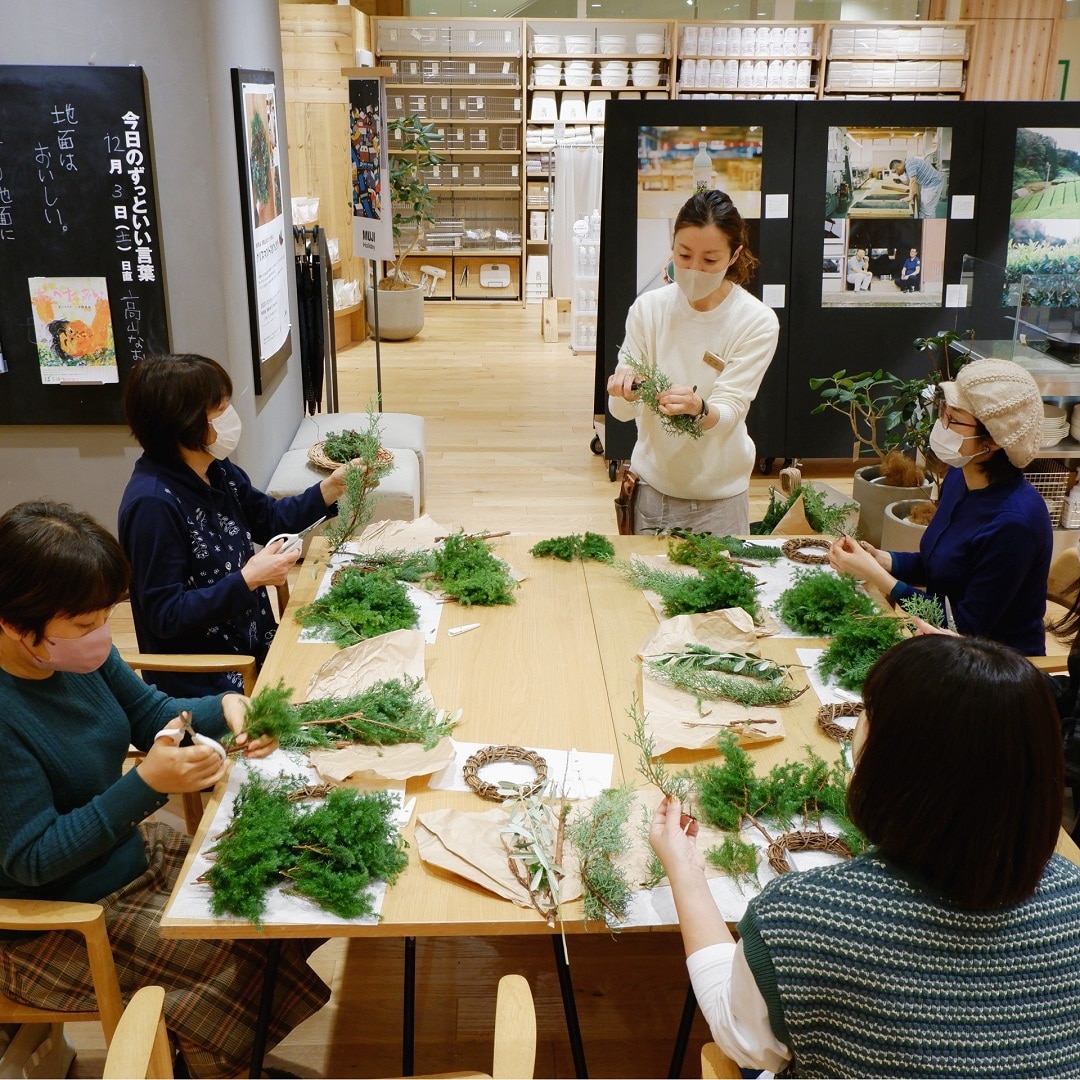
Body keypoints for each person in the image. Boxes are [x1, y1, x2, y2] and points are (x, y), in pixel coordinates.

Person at [0, 501, 330, 1077]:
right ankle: (214, 1062)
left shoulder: (74, 657)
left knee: (286, 898)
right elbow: (32, 858)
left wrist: (226, 708)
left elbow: (149, 711)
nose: (101, 636)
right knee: (233, 955)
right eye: (83, 625)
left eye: (105, 617)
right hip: (54, 919)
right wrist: (147, 785)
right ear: (14, 625)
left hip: (124, 857)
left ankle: (211, 1057)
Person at [650, 634, 1080, 1077]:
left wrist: (685, 870)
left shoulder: (804, 918)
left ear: (889, 755)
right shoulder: (1071, 889)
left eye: (867, 713)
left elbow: (743, 1040)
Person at [119, 353, 354, 695]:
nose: (230, 416)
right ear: (183, 422)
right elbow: (165, 614)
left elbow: (268, 519)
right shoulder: (152, 505)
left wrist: (330, 488)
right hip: (210, 679)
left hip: (255, 644)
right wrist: (250, 578)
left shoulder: (217, 469)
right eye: (220, 408)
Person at [829, 357, 1051, 655]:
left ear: (993, 442)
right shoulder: (960, 477)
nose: (941, 425)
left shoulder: (1014, 524)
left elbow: (963, 627)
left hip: (997, 669)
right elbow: (940, 564)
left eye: (954, 419)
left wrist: (878, 577)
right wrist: (882, 559)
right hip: (943, 645)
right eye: (943, 412)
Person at [606, 189, 779, 535]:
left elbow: (730, 411)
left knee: (718, 588)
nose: (694, 269)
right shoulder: (649, 309)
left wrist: (700, 409)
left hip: (719, 501)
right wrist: (623, 389)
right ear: (672, 246)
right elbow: (621, 413)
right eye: (684, 255)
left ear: (734, 256)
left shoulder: (755, 321)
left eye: (710, 260)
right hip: (649, 489)